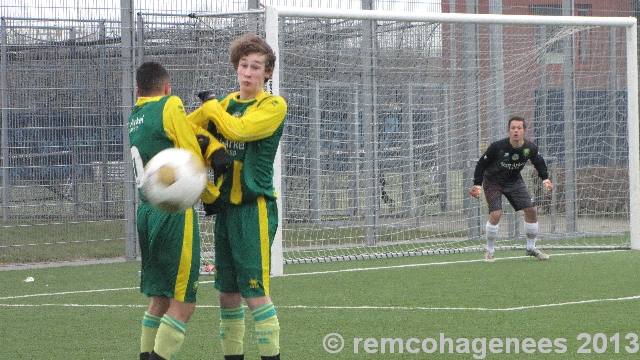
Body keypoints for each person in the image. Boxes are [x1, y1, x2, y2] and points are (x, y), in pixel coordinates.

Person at [187, 33, 286, 360]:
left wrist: (210, 108)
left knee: (254, 292)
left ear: (267, 73)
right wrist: (207, 142)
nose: (247, 72)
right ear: (236, 67)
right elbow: (188, 128)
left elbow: (238, 131)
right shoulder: (226, 104)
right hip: (226, 209)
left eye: (255, 67)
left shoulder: (273, 105)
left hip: (254, 209)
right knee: (227, 294)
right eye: (243, 65)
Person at [128, 61, 230, 360]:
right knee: (184, 302)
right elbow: (188, 155)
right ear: (168, 87)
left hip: (147, 210)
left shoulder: (136, 116)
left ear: (138, 90)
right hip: (173, 213)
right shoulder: (170, 104)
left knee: (159, 298)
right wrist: (210, 195)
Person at [469, 116, 553, 263]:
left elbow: (538, 162)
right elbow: (481, 164)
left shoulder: (530, 148)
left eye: (519, 128)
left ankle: (531, 247)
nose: (516, 131)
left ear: (524, 131)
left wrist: (545, 179)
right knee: (496, 213)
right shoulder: (497, 146)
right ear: (508, 130)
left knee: (532, 210)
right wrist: (477, 184)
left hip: (514, 181)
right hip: (493, 181)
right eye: (513, 128)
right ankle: (490, 251)